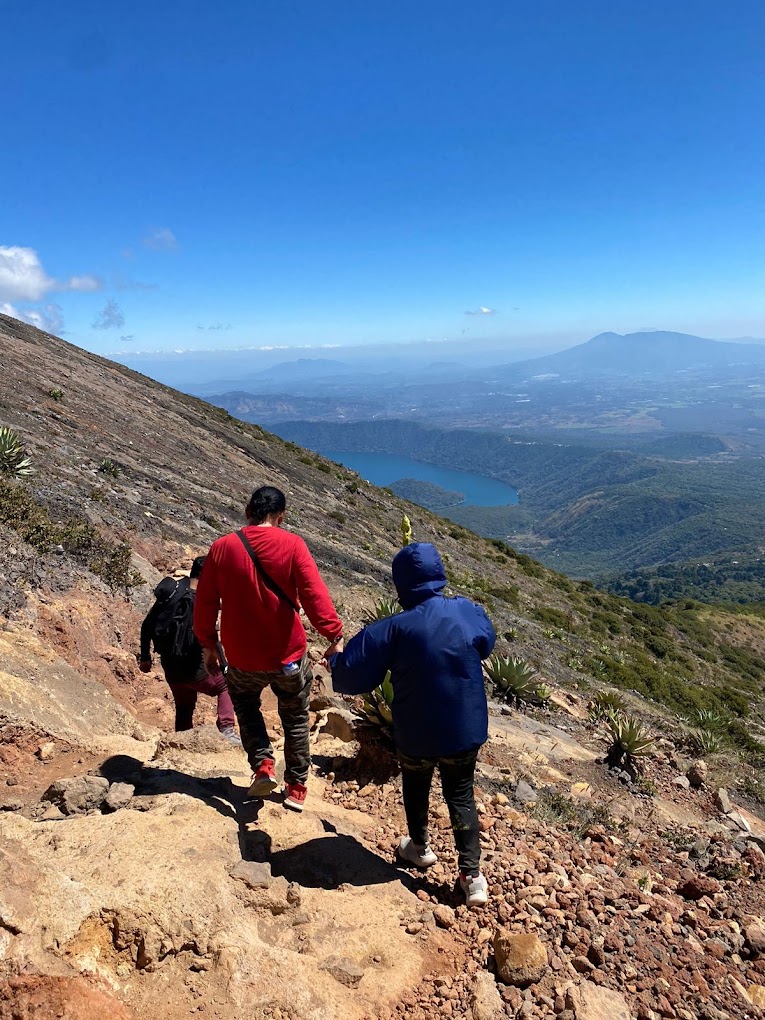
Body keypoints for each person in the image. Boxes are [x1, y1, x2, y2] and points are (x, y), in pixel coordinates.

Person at [328, 541, 495, 907]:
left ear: (401, 584)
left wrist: (336, 658)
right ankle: (472, 877)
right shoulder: (467, 611)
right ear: (439, 575)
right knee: (460, 794)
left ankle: (419, 848)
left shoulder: (391, 629)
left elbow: (350, 677)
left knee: (416, 783)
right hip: (465, 729)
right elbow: (486, 643)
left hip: (416, 733)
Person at [194, 485, 344, 812]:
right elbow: (313, 595)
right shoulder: (293, 545)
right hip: (287, 655)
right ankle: (296, 787)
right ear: (281, 517)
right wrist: (334, 635)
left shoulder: (222, 548)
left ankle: (263, 765)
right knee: (295, 717)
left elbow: (204, 602)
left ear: (248, 511)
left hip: (242, 656)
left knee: (246, 707)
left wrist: (208, 644)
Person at [139, 556, 241, 744]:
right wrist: (224, 665)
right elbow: (210, 636)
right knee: (226, 685)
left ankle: (181, 740)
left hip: (170, 666)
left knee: (184, 705)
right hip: (195, 667)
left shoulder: (174, 593)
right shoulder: (201, 601)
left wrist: (145, 657)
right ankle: (226, 729)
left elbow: (147, 625)